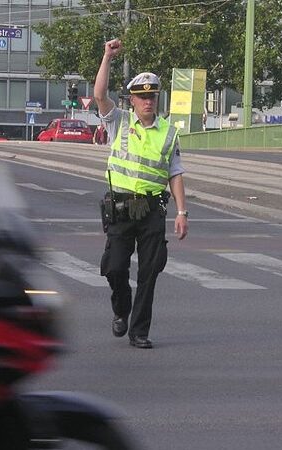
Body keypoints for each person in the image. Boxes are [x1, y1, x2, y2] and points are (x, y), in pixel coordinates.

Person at [93, 38, 189, 349]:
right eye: (142, 97)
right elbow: (99, 94)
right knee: (116, 267)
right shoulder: (118, 121)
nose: (148, 102)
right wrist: (107, 57)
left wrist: (182, 212)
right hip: (122, 209)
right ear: (132, 100)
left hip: (151, 211)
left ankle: (139, 331)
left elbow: (175, 173)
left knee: (150, 271)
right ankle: (121, 308)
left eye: (152, 97)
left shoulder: (168, 132)